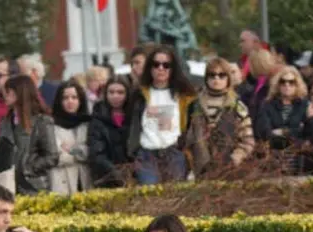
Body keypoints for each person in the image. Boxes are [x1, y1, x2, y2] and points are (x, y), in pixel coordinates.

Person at [127, 45, 196, 185]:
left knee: (175, 198)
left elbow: (191, 125)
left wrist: (185, 149)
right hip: (147, 155)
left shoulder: (184, 96)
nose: (161, 68)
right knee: (150, 198)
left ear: (173, 68)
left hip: (174, 154)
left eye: (166, 65)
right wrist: (133, 151)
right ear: (150, 67)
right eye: (156, 64)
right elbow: (132, 124)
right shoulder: (139, 94)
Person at [188, 56, 255, 178]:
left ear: (228, 78)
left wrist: (234, 159)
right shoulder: (194, 105)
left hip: (229, 172)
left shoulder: (237, 106)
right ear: (206, 78)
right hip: (200, 172)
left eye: (221, 75)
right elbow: (185, 138)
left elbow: (248, 141)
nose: (216, 79)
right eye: (212, 75)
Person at [0, 75, 58, 195]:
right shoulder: (5, 121)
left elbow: (52, 156)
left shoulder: (42, 121)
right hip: (8, 185)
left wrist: (27, 168)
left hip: (34, 186)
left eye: (8, 92)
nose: (4, 96)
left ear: (19, 93)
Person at [254, 67, 308, 175]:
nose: (287, 85)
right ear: (277, 84)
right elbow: (263, 131)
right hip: (273, 157)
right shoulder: (267, 105)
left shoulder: (304, 105)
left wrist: (283, 132)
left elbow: (307, 131)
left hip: (298, 157)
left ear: (297, 84)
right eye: (283, 82)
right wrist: (295, 131)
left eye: (291, 82)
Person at [87, 78, 132, 188]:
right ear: (105, 94)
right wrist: (116, 173)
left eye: (120, 92)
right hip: (107, 177)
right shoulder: (97, 118)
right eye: (111, 92)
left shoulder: (134, 116)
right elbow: (96, 153)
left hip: (134, 174)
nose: (115, 96)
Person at [49, 81, 92, 196]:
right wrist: (80, 152)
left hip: (86, 180)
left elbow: (92, 151)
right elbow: (54, 155)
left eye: (74, 97)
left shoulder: (89, 123)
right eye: (65, 98)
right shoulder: (51, 125)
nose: (70, 101)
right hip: (61, 181)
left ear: (81, 100)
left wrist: (72, 150)